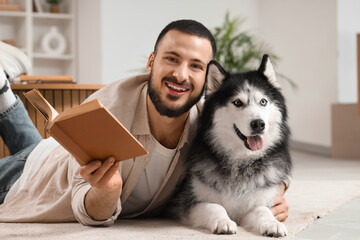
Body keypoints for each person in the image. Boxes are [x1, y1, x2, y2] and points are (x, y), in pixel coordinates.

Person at [0, 19, 289, 225]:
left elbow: (256, 151)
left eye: (196, 66)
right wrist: (107, 191)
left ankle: (3, 91)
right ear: (151, 62)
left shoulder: (210, 121)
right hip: (31, 176)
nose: (181, 75)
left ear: (207, 80)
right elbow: (86, 209)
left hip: (49, 149)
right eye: (172, 59)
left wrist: (279, 190)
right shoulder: (107, 112)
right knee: (35, 155)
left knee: (39, 145)